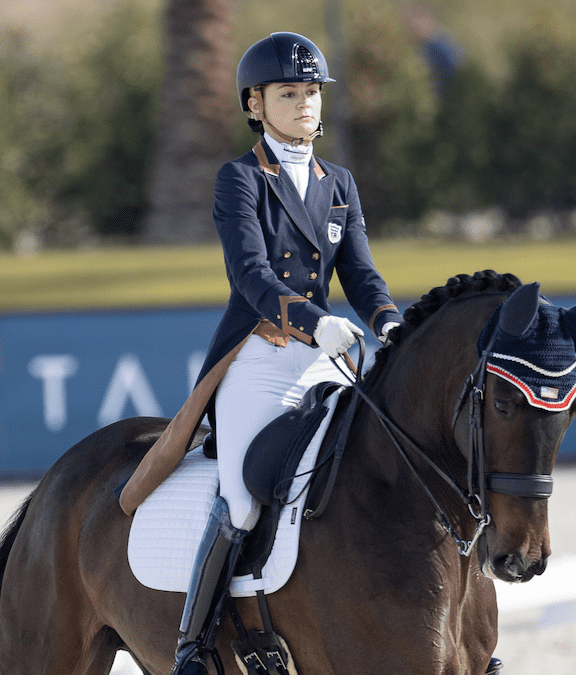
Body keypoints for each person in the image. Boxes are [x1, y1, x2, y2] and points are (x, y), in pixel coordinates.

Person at [118, 31, 403, 675]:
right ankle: (195, 642)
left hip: (325, 354)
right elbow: (251, 275)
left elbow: (360, 276)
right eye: (288, 94)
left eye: (311, 93)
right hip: (259, 355)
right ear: (255, 104)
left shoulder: (340, 183)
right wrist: (312, 320)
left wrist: (388, 323)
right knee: (246, 496)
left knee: (387, 460)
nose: (305, 105)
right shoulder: (240, 179)